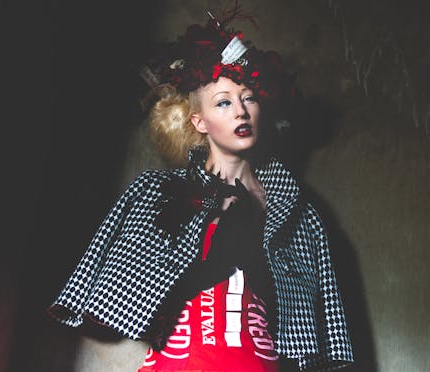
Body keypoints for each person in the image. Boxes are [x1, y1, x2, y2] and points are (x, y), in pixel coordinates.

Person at [48, 5, 354, 372]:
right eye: (223, 102)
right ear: (200, 121)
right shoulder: (155, 193)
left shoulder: (299, 215)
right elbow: (113, 301)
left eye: (249, 98)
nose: (240, 111)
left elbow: (318, 331)